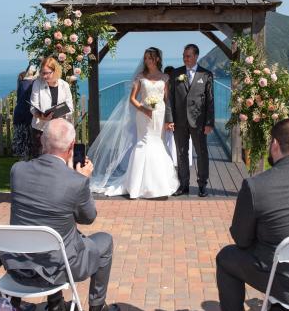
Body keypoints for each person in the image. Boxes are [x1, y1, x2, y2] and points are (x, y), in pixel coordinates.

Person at [0, 118, 119, 311]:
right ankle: (97, 307)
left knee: (56, 235)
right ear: (72, 146)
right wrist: (81, 179)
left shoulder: (17, 170)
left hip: (18, 266)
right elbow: (88, 218)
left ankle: (56, 304)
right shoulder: (75, 182)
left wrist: (69, 172)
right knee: (105, 241)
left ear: (42, 141)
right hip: (56, 269)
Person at [216, 118, 289, 311]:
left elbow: (241, 240)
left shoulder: (256, 186)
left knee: (226, 257)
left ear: (275, 144)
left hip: (285, 284)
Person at [89, 47, 179, 199]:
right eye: (145, 58)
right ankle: (137, 183)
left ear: (157, 59)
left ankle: (159, 183)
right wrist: (143, 109)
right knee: (143, 143)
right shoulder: (140, 76)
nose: (147, 61)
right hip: (143, 115)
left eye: (150, 58)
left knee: (158, 142)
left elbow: (167, 100)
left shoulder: (164, 77)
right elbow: (132, 99)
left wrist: (169, 120)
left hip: (159, 114)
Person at [166, 44, 214, 197]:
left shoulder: (206, 75)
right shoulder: (175, 73)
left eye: (188, 56)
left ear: (196, 56)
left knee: (202, 153)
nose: (185, 58)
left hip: (198, 122)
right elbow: (170, 100)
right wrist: (169, 119)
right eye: (184, 55)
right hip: (179, 121)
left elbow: (210, 102)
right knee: (181, 154)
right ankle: (184, 185)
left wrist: (209, 123)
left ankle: (202, 185)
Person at [30, 57, 73, 158]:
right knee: (40, 158)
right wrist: (41, 116)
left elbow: (70, 107)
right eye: (42, 72)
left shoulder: (64, 85)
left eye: (47, 73)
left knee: (58, 159)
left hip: (59, 129)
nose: (44, 76)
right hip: (40, 129)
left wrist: (60, 113)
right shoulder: (37, 84)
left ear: (55, 71)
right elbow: (33, 106)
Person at [163, 66, 193, 167]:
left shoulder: (178, 83)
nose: (169, 78)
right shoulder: (166, 85)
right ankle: (171, 158)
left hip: (179, 115)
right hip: (169, 113)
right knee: (170, 136)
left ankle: (175, 159)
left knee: (176, 137)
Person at [12, 64, 39, 160]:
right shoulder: (26, 83)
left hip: (21, 116)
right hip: (25, 116)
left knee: (23, 141)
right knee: (26, 140)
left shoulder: (22, 83)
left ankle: (24, 160)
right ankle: (25, 160)